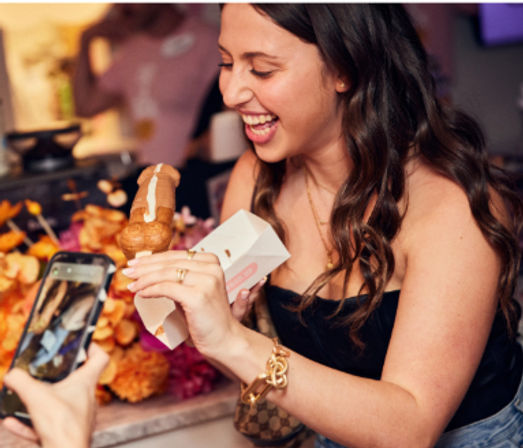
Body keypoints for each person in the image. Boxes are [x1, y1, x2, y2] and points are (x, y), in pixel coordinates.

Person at [4, 4, 522, 447]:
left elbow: (410, 427)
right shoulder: (257, 179)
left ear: (345, 67)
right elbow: (246, 351)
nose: (230, 93)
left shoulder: (449, 206)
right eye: (227, 64)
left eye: (263, 69)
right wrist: (195, 319)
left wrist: (234, 340)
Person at [73, 3, 221, 168]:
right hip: (150, 176)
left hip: (196, 174)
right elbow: (85, 106)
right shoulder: (131, 50)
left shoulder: (208, 41)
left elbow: (230, 114)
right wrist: (86, 39)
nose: (122, 7)